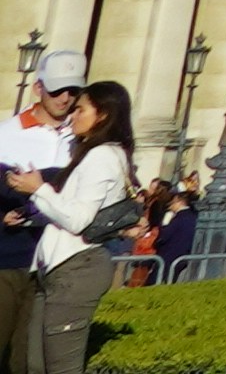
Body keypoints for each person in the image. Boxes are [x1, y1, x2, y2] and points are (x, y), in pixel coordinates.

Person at [15, 83, 139, 374]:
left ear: (104, 114)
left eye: (81, 109)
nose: (73, 116)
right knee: (36, 364)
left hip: (76, 267)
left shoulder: (102, 156)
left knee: (61, 368)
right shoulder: (94, 154)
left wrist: (39, 189)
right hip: (59, 267)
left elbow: (78, 220)